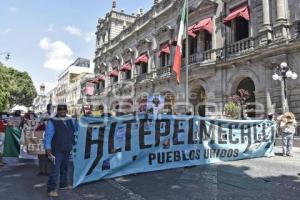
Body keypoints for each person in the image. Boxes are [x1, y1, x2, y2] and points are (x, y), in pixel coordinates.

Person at [44, 104, 77, 197]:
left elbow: (75, 130)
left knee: (64, 168)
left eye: (64, 110)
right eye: (61, 110)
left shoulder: (70, 120)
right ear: (58, 111)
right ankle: (51, 189)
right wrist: (47, 147)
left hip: (67, 148)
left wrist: (79, 120)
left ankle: (63, 184)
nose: (63, 111)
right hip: (56, 149)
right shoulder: (52, 121)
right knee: (55, 170)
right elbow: (48, 135)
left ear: (66, 110)